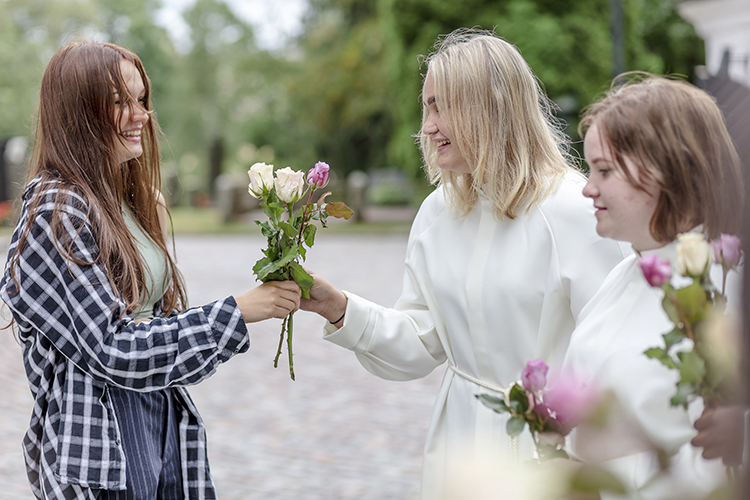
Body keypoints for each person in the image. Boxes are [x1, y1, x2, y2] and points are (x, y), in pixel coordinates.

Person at [300, 28, 626, 498]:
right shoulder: (439, 211)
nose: (427, 126)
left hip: (548, 452)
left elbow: (612, 361)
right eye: (426, 106)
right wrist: (339, 308)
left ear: (491, 108)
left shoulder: (575, 209)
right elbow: (421, 341)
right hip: (458, 445)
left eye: (440, 106)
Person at [0, 40, 301, 500]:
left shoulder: (133, 202)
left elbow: (152, 327)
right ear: (78, 112)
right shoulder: (57, 208)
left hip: (159, 408)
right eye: (119, 101)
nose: (140, 114)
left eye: (141, 99)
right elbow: (112, 347)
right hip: (101, 436)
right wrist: (236, 312)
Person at [561, 75, 744, 499]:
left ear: (669, 170)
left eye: (604, 170)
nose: (588, 188)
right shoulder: (622, 275)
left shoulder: (725, 288)